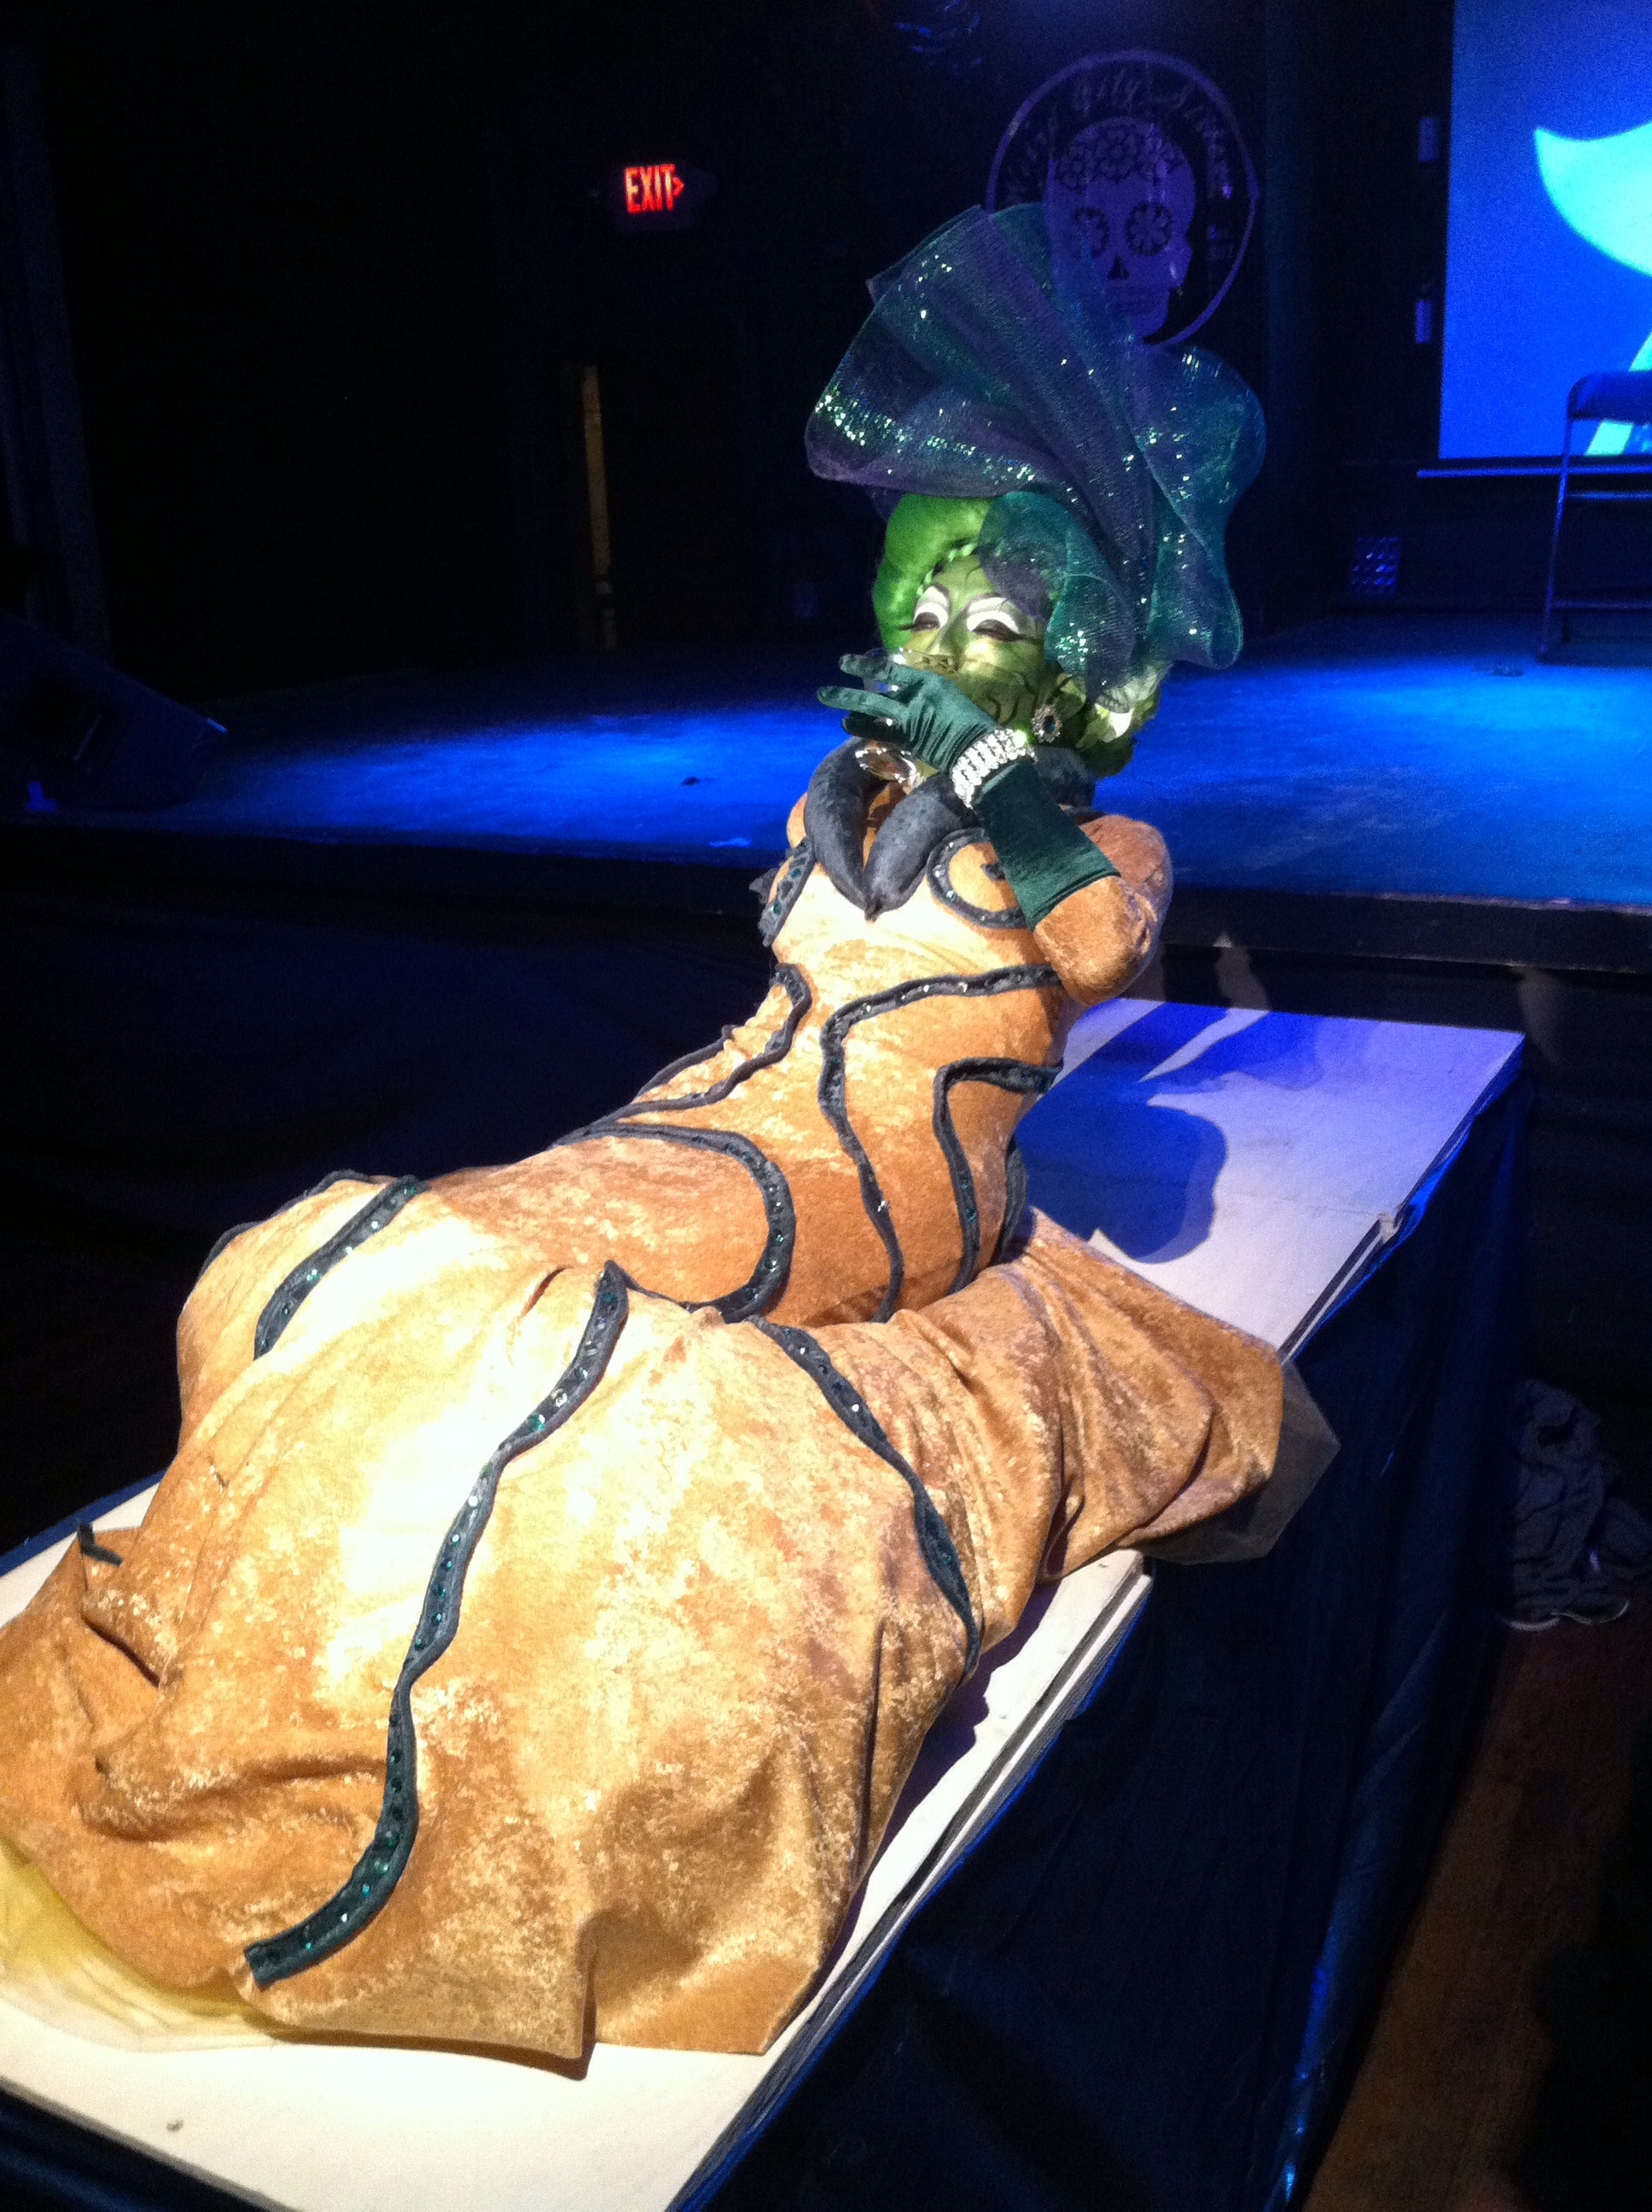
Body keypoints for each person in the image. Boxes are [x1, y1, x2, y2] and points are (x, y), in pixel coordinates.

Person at [0, 204, 1282, 2064]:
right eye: (916, 613)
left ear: (1088, 673)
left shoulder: (1101, 851)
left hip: (883, 1171)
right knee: (379, 1246)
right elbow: (794, 972)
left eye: (991, 627)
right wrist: (869, 797)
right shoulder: (850, 797)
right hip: (727, 1101)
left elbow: (1084, 938)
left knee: (561, 1339)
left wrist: (984, 769)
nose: (934, 651)